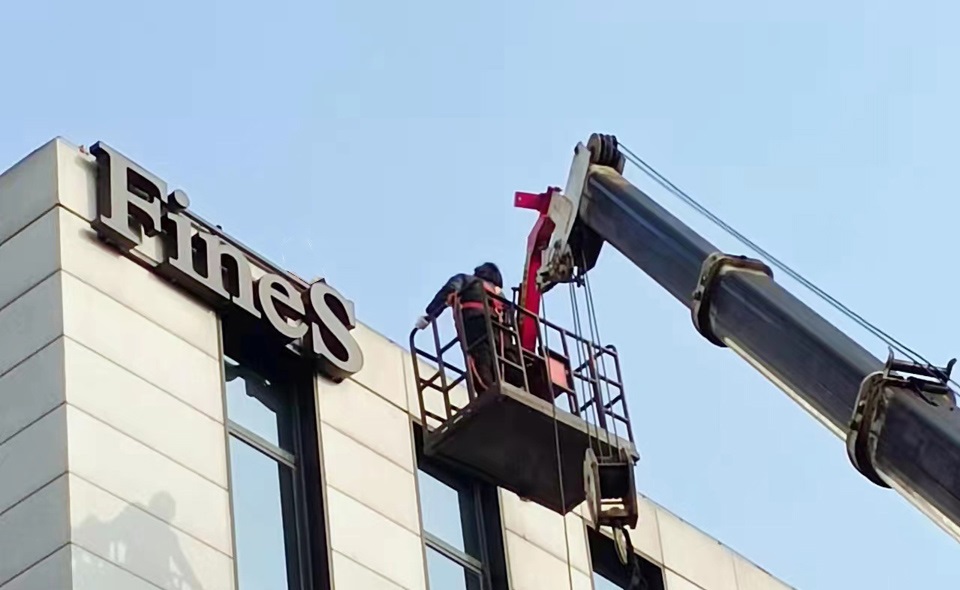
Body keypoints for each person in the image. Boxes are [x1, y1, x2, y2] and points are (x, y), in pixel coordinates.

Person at [416, 262, 519, 394]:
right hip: (502, 332)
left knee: (481, 362)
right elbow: (511, 317)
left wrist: (429, 315)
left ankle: (489, 393)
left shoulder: (465, 279)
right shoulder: (500, 295)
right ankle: (518, 386)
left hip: (476, 324)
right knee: (507, 361)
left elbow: (448, 291)